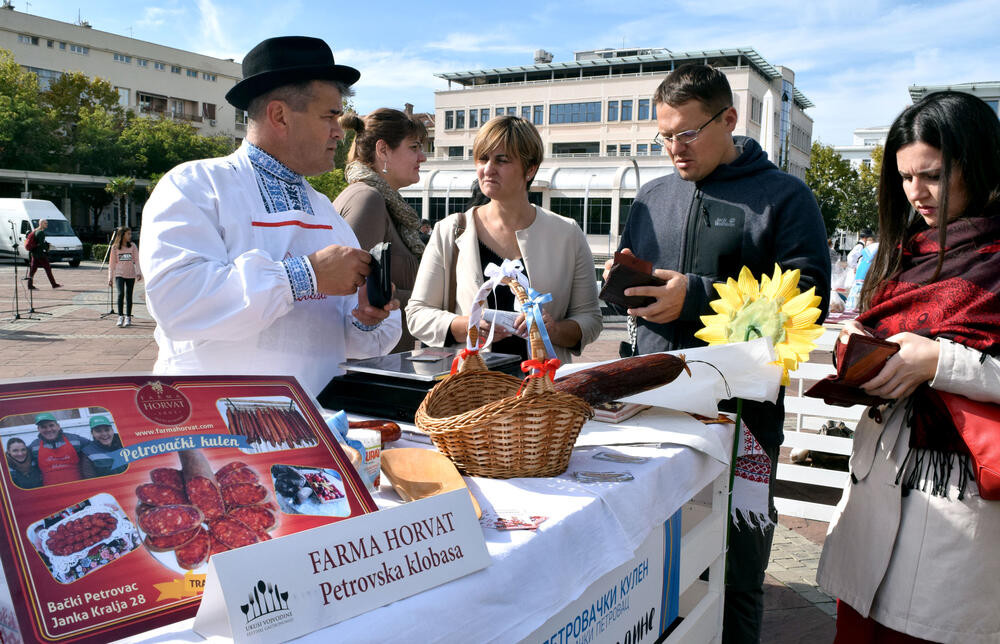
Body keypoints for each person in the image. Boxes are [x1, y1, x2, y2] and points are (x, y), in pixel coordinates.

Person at [605, 64, 830, 643]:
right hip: (654, 412)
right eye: (664, 135)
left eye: (687, 133)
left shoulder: (784, 196)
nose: (674, 149)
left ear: (729, 119)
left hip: (741, 422)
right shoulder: (653, 196)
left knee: (736, 570)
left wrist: (695, 297)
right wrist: (628, 285)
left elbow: (808, 303)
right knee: (653, 563)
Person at [817, 91, 1000, 644]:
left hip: (958, 495)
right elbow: (881, 326)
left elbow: (935, 352)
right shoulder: (908, 249)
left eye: (934, 176)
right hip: (882, 475)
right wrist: (856, 343)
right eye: (904, 177)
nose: (916, 193)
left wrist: (940, 361)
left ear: (981, 163)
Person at [139, 37, 401, 397]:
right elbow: (179, 302)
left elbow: (349, 343)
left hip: (314, 425)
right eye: (329, 116)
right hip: (215, 428)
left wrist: (366, 318)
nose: (339, 132)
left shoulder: (324, 208)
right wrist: (305, 276)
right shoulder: (196, 186)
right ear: (279, 115)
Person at [407, 115, 603, 363]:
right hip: (470, 391)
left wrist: (552, 330)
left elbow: (590, 319)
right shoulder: (451, 230)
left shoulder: (567, 233)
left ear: (530, 169)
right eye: (483, 159)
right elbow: (417, 314)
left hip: (542, 390)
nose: (488, 169)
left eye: (502, 160)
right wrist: (466, 325)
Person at [335, 108, 428, 352]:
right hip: (370, 373)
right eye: (414, 147)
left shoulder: (385, 202)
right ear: (383, 150)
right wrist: (430, 303)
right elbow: (349, 296)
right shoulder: (367, 199)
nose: (423, 157)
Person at [27, 413, 90, 485]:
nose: (48, 429)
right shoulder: (34, 446)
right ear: (38, 429)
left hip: (79, 487)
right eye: (43, 427)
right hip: (51, 492)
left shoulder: (76, 440)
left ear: (58, 426)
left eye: (51, 425)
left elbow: (93, 447)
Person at [108, 226, 142, 328]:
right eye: (128, 234)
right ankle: (120, 316)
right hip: (119, 274)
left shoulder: (133, 246)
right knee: (120, 294)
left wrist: (138, 273)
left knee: (129, 296)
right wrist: (110, 278)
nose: (130, 236)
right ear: (122, 235)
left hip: (131, 274)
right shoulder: (115, 248)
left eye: (130, 234)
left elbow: (137, 260)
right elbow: (112, 264)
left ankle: (128, 317)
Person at [26, 219, 61, 290]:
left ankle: (29, 285)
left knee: (32, 270)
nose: (46, 225)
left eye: (47, 223)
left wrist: (45, 244)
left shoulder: (35, 231)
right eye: (45, 223)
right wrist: (48, 247)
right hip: (40, 255)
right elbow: (41, 245)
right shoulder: (41, 232)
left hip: (34, 254)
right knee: (48, 269)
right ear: (41, 223)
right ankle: (54, 284)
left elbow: (38, 243)